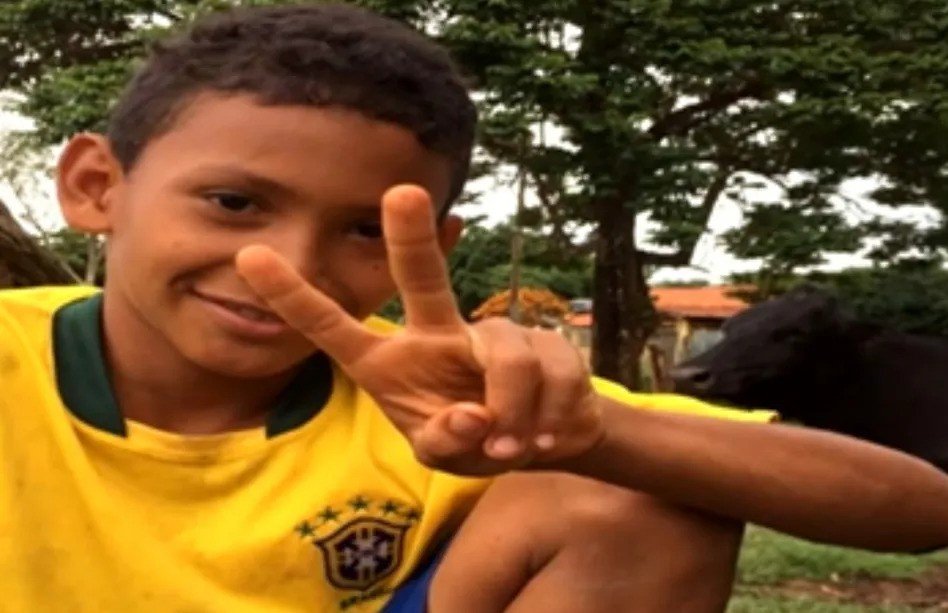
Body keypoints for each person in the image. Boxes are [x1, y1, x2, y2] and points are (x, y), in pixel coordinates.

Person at [1, 4, 945, 612]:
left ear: (434, 246)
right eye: (235, 202)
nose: (291, 268)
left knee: (645, 502)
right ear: (96, 186)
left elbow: (921, 507)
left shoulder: (429, 397)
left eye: (365, 228)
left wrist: (588, 435)